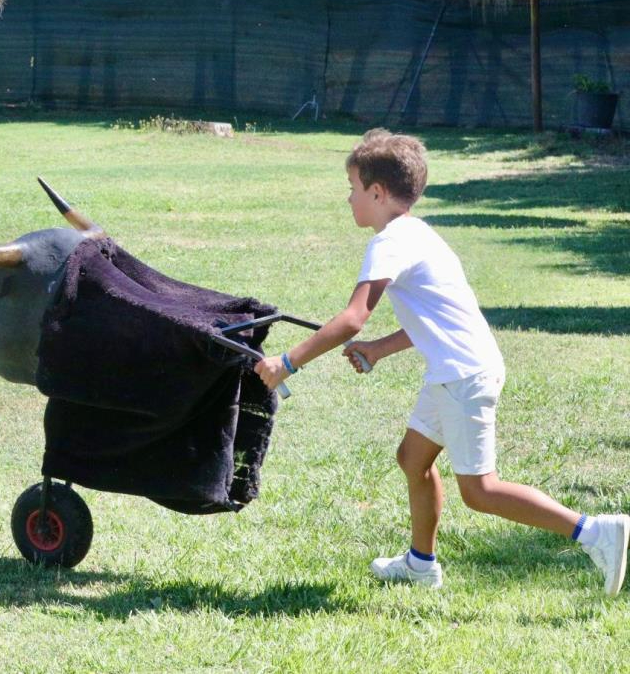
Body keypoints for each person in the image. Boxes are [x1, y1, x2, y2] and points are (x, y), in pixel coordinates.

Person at [254, 128, 630, 594]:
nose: (348, 199)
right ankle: (420, 563)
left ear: (377, 192)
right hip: (455, 370)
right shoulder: (418, 235)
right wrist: (378, 350)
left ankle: (596, 532)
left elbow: (352, 318)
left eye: (352, 189)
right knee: (413, 459)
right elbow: (433, 321)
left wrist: (285, 363)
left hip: (464, 376)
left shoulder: (389, 244)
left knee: (481, 491)